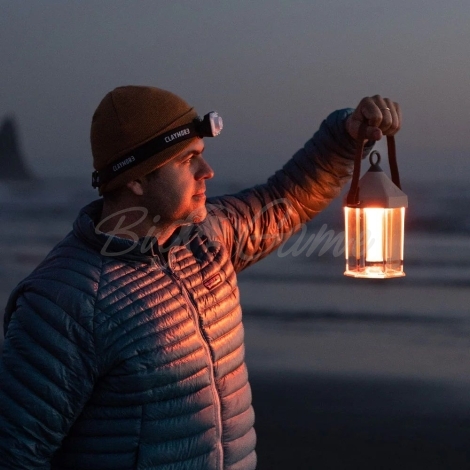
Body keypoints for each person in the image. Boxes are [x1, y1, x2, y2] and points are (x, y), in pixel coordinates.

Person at [0, 85, 400, 469]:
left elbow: (288, 199)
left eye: (202, 154)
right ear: (136, 179)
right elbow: (15, 452)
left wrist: (346, 137)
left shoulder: (207, 240)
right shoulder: (63, 303)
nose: (207, 171)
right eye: (186, 160)